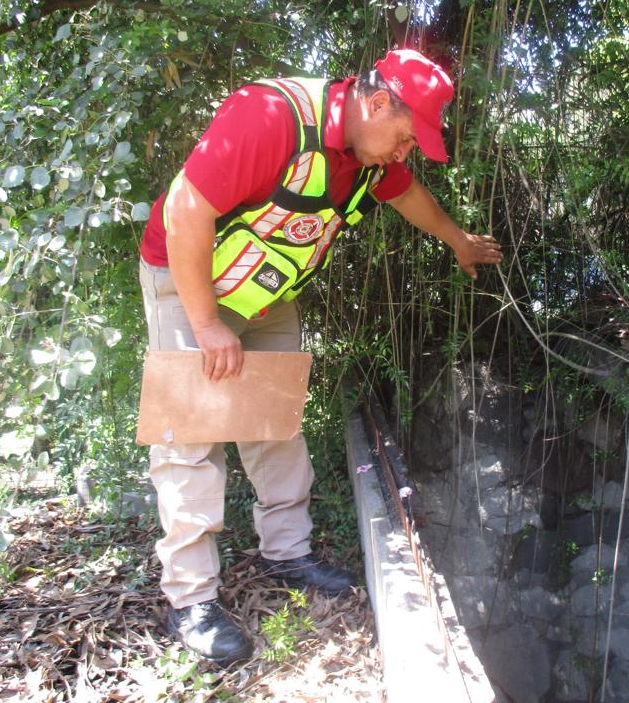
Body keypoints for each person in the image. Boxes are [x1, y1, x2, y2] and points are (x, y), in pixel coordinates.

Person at [137, 48, 502, 665]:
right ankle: (192, 601)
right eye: (407, 137)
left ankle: (288, 556)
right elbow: (185, 209)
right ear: (378, 102)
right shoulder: (270, 117)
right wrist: (204, 323)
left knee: (274, 424)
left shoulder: (368, 154)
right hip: (187, 279)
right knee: (191, 436)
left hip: (263, 292)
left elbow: (410, 195)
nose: (404, 153)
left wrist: (459, 241)